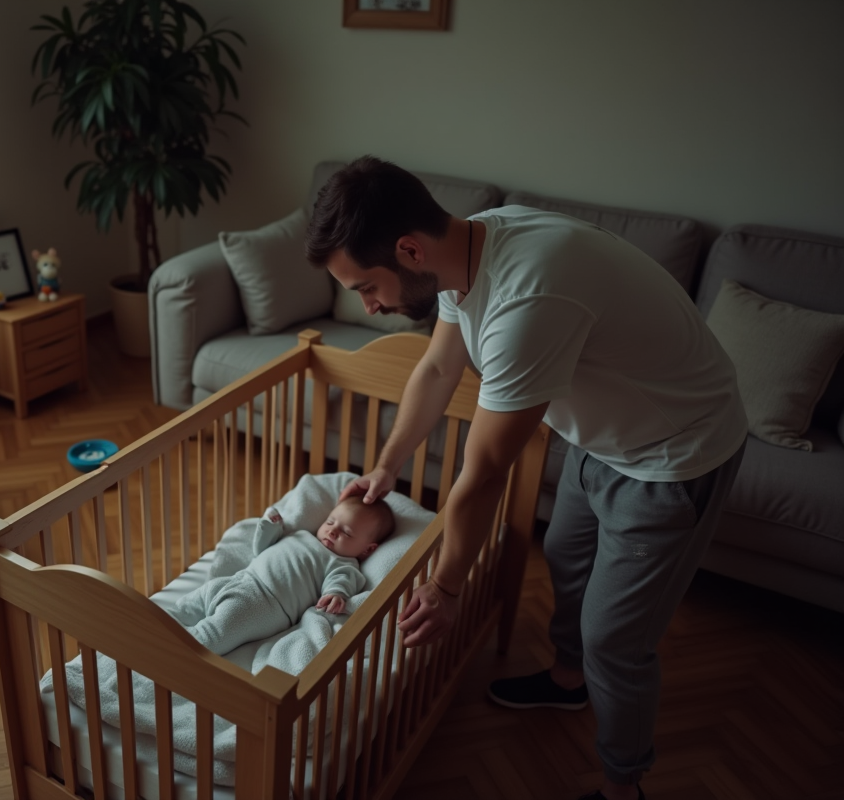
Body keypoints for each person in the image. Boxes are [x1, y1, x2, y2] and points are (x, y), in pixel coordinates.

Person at [305, 156, 746, 800]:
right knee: (565, 555)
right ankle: (569, 682)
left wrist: (448, 587)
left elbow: (483, 474)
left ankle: (625, 784)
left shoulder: (529, 294)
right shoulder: (465, 249)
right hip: (603, 436)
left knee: (615, 641)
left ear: (409, 249)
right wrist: (387, 464)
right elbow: (435, 371)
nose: (369, 306)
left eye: (366, 287)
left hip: (674, 455)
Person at [171, 497, 395, 656]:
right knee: (186, 606)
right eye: (330, 521)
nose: (332, 531)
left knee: (215, 634)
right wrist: (270, 526)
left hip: (264, 605)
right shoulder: (302, 535)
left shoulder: (344, 564)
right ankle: (155, 625)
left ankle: (174, 654)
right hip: (240, 578)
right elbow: (261, 548)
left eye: (346, 532)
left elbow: (340, 582)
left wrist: (336, 594)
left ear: (368, 549)